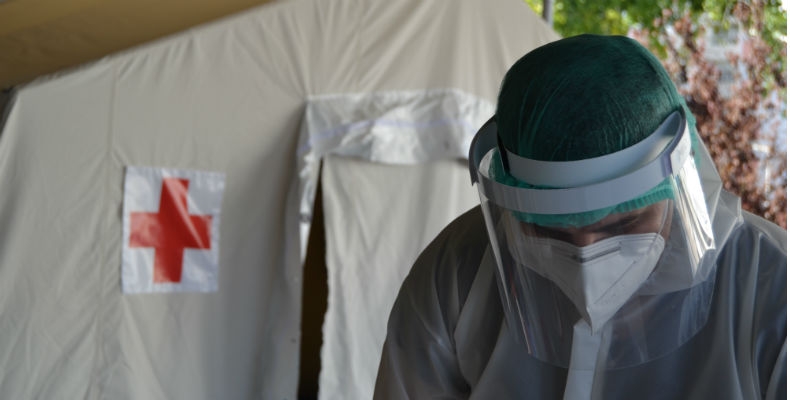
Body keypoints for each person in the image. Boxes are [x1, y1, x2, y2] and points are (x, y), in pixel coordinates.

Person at [374, 35, 786, 399]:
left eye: (623, 224)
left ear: (676, 182)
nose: (587, 255)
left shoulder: (770, 286)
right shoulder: (458, 269)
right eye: (549, 230)